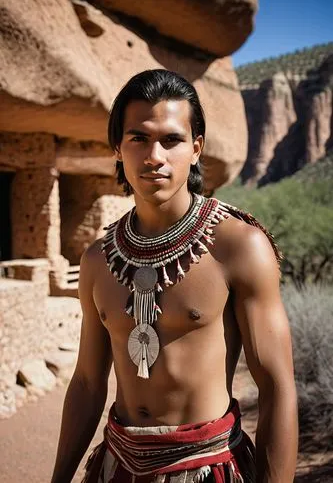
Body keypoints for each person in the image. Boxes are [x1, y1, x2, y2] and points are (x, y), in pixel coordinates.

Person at [51, 69, 298, 483]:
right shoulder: (97, 259)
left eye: (171, 139)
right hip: (118, 467)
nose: (154, 157)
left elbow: (277, 388)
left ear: (196, 148)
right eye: (139, 139)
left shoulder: (239, 246)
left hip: (207, 468)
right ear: (118, 148)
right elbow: (88, 383)